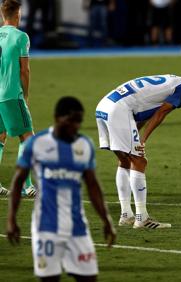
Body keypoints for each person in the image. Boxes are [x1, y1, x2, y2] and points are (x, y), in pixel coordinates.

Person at [7, 96, 116, 282]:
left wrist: (106, 219)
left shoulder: (84, 145)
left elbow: (93, 185)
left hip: (78, 227)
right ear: (58, 117)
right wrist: (11, 219)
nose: (76, 126)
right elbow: (18, 182)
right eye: (72, 120)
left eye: (79, 121)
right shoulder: (37, 144)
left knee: (89, 277)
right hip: (45, 227)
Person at [96, 74, 181, 229]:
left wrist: (136, 136)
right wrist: (142, 140)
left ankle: (126, 215)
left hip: (105, 106)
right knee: (140, 161)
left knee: (125, 160)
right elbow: (160, 114)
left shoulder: (173, 83)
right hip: (119, 110)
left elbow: (145, 110)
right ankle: (141, 218)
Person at [0, 0, 36, 196]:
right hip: (11, 94)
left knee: (0, 137)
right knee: (28, 138)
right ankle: (26, 185)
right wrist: (26, 95)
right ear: (17, 14)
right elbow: (25, 70)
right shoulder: (21, 37)